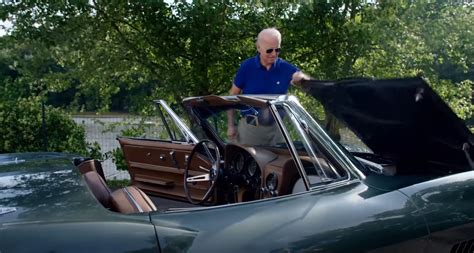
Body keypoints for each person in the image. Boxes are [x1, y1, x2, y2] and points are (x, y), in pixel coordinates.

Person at [227, 27, 309, 144]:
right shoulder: (247, 67)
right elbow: (232, 97)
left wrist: (302, 79)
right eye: (269, 50)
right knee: (250, 161)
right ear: (259, 48)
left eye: (277, 50)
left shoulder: (284, 67)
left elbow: (301, 77)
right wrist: (231, 125)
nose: (274, 54)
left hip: (277, 130)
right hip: (251, 129)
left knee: (280, 161)